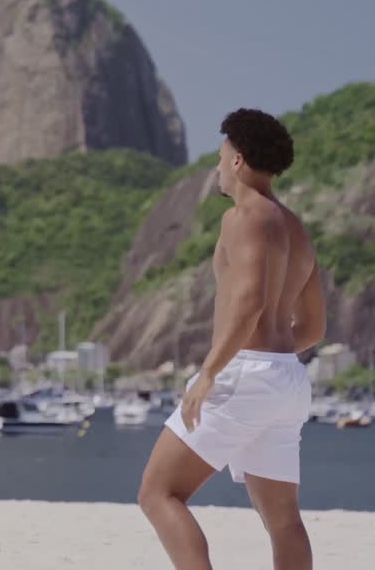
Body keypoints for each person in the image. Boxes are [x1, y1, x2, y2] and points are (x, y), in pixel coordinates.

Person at [138, 108, 323, 570]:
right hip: (287, 380)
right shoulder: (297, 229)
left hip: (245, 375)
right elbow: (315, 328)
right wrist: (272, 363)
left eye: (221, 156)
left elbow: (249, 304)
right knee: (283, 519)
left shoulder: (245, 217)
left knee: (160, 494)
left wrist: (210, 374)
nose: (218, 167)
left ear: (237, 159)